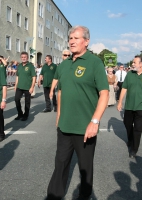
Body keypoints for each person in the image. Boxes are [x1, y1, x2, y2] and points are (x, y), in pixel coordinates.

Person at [46, 26, 109, 200]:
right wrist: (59, 117)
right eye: (70, 38)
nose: (72, 41)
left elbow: (104, 93)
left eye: (76, 38)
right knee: (60, 164)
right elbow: (61, 91)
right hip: (65, 126)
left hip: (85, 128)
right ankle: (53, 195)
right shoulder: (64, 65)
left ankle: (84, 196)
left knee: (85, 167)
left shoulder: (95, 62)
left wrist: (94, 122)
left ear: (86, 41)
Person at [14, 52, 36, 121]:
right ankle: (20, 114)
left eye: (25, 57)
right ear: (21, 58)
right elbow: (17, 76)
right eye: (22, 57)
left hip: (27, 87)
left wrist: (32, 87)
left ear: (27, 58)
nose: (23, 58)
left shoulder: (30, 66)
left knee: (27, 102)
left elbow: (34, 77)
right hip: (19, 87)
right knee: (16, 99)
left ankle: (25, 115)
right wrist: (15, 85)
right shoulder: (19, 66)